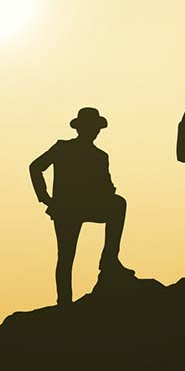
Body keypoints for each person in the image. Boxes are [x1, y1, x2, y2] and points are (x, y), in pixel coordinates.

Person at [29, 107, 131, 305]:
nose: (94, 131)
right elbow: (35, 167)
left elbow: (105, 185)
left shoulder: (100, 156)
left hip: (84, 205)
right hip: (67, 209)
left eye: (96, 128)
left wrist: (107, 191)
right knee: (66, 255)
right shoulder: (62, 148)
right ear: (82, 128)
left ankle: (109, 259)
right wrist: (45, 197)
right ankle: (64, 301)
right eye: (92, 127)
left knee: (118, 205)